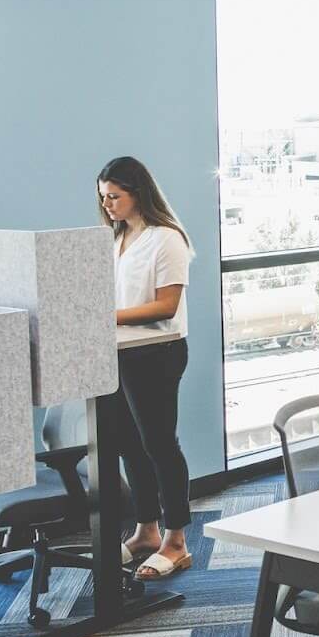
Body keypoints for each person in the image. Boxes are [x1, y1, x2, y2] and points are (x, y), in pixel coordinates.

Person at [98, 157, 194, 582]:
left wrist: (109, 315)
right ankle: (146, 530)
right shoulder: (116, 238)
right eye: (103, 198)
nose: (108, 205)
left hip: (157, 352)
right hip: (120, 353)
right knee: (128, 446)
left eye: (114, 197)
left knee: (159, 445)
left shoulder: (165, 239)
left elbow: (166, 305)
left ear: (138, 193)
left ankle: (176, 542)